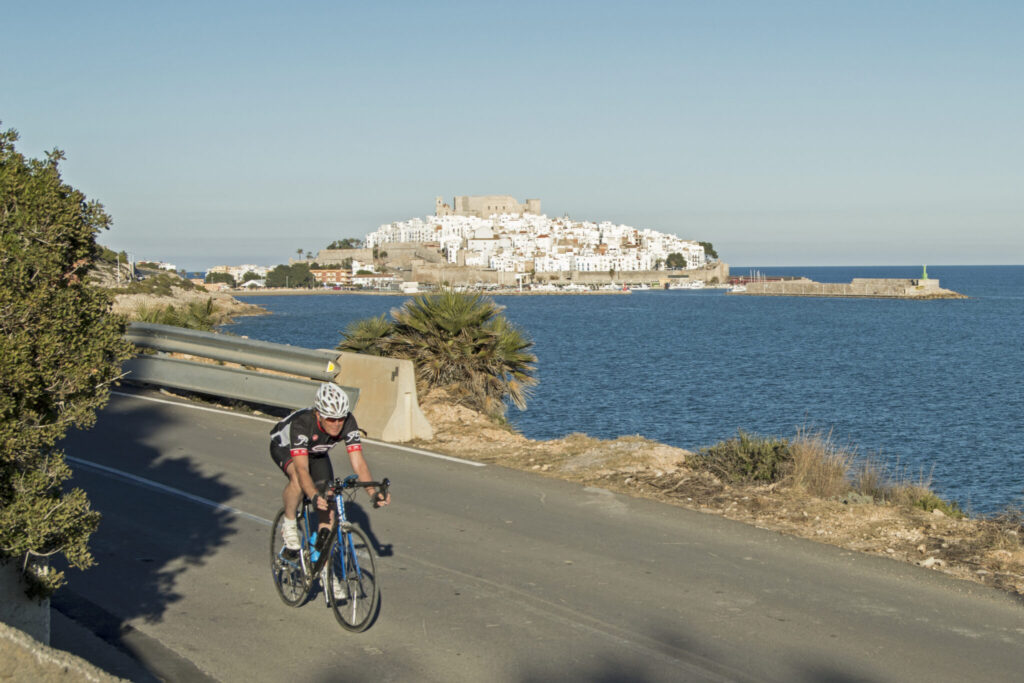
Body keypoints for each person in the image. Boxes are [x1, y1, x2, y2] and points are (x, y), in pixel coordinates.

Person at [269, 382, 390, 552]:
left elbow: (359, 463)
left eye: (341, 418)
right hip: (285, 448)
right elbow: (302, 469)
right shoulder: (302, 423)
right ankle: (289, 524)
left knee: (329, 497)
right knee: (298, 478)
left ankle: (323, 567)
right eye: (331, 419)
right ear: (319, 415)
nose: (337, 423)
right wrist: (312, 495)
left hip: (317, 452)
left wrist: (372, 492)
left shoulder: (348, 422)